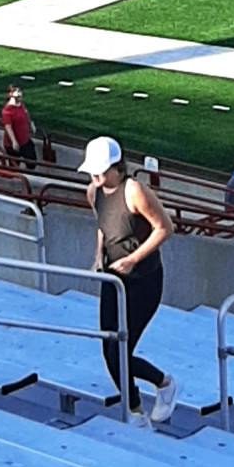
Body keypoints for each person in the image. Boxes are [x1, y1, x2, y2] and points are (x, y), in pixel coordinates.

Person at [80, 136, 178, 427]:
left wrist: (134, 258)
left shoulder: (134, 191)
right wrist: (99, 255)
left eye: (100, 171)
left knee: (121, 348)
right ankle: (135, 410)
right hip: (113, 277)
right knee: (109, 346)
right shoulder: (93, 191)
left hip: (143, 281)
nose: (96, 177)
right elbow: (102, 226)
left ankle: (164, 384)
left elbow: (164, 228)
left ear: (116, 166)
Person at [0, 85, 36, 169]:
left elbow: (26, 114)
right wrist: (14, 141)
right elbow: (8, 127)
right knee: (14, 165)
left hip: (25, 140)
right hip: (14, 143)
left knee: (32, 162)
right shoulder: (7, 111)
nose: (20, 95)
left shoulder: (21, 105)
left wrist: (31, 124)